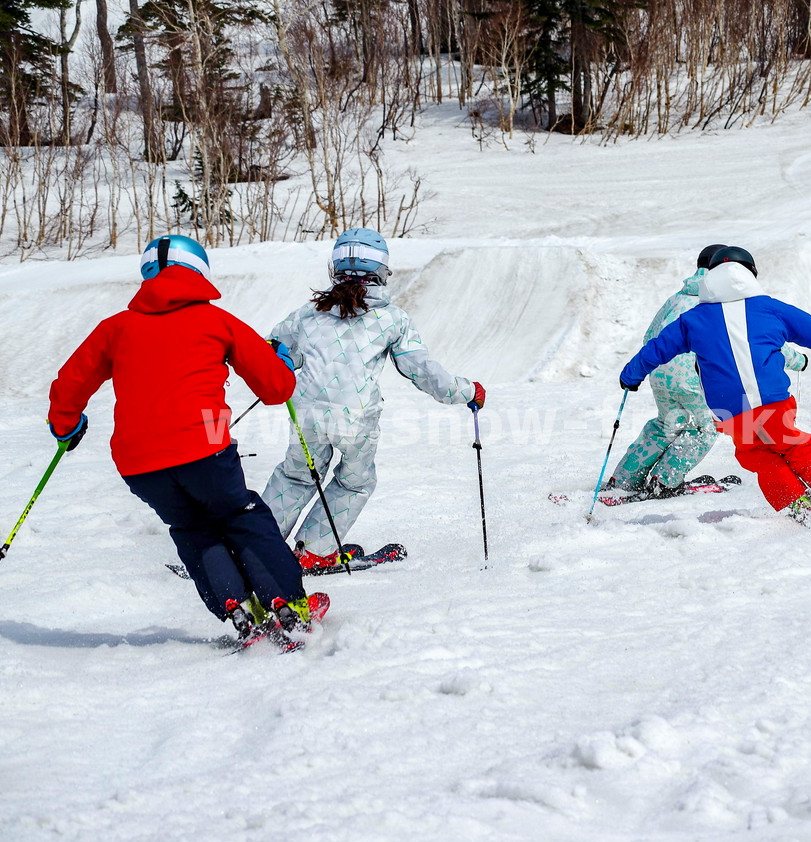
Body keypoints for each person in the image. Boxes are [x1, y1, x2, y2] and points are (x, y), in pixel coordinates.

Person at [47, 234, 317, 641]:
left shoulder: (116, 328)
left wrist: (66, 425)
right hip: (204, 447)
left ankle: (237, 607)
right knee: (241, 516)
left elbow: (68, 387)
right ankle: (287, 602)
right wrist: (279, 363)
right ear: (199, 271)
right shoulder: (217, 321)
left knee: (192, 527)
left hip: (139, 463)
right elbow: (277, 389)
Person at [263, 228, 485, 569]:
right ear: (381, 271)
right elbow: (420, 369)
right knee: (354, 483)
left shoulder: (309, 313)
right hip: (356, 420)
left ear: (335, 268)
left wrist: (286, 358)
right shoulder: (392, 318)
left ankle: (258, 546)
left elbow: (271, 347)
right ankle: (314, 551)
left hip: (306, 414)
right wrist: (466, 390)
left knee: (295, 477)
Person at [618, 246, 811, 520]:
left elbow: (655, 348)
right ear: (750, 273)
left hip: (729, 410)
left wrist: (630, 375)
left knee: (757, 455)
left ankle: (797, 504)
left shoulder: (693, 319)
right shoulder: (770, 308)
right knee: (792, 446)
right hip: (771, 401)